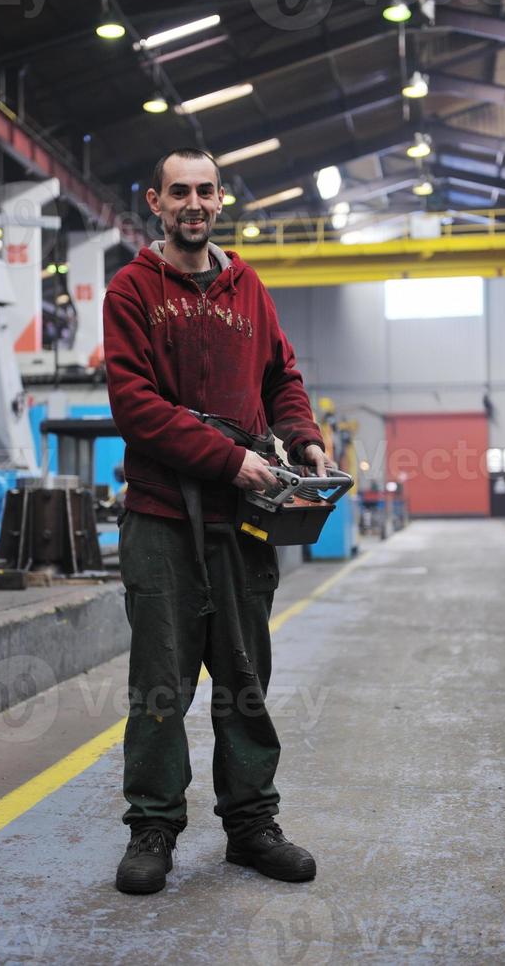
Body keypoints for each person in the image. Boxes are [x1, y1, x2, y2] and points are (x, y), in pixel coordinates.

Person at [103, 147, 332, 895]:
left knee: (244, 681)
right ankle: (154, 826)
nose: (193, 203)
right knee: (161, 685)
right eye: (179, 192)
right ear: (155, 202)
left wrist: (305, 439)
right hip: (163, 518)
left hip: (240, 525)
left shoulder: (249, 290)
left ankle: (251, 826)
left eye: (205, 190)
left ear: (221, 199)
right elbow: (137, 408)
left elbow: (282, 377)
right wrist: (230, 462)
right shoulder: (132, 291)